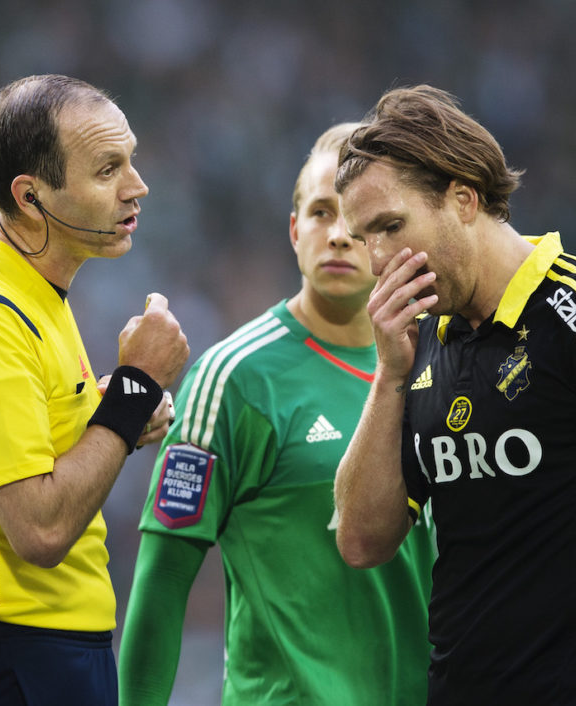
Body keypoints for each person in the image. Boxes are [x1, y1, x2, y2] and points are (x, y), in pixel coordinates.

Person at [332, 85, 576, 705]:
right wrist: (390, 375)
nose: (377, 260)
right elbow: (362, 540)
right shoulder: (421, 337)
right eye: (365, 237)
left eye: (391, 226)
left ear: (463, 198)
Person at [118, 123, 434, 706]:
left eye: (358, 222)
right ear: (293, 230)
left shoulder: (448, 366)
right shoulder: (234, 379)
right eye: (319, 213)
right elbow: (162, 583)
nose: (337, 235)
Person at [0, 74, 189, 705]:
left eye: (131, 161)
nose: (136, 187)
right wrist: (136, 390)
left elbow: (45, 444)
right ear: (31, 198)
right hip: (0, 654)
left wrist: (114, 410)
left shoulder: (31, 292)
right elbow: (40, 531)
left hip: (39, 647)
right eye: (108, 169)